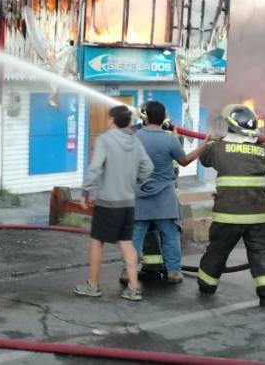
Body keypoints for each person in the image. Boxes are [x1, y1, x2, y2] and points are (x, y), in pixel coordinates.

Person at [196, 104, 265, 306]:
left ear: (230, 127)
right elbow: (264, 165)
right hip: (258, 215)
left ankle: (207, 285)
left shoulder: (218, 149)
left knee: (218, 251)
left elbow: (204, 159)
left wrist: (213, 141)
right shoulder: (263, 151)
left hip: (228, 215)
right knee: (260, 251)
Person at [124, 101, 210, 285]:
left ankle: (126, 272)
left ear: (145, 117)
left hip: (140, 197)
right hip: (164, 199)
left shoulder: (135, 136)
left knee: (135, 238)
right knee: (170, 236)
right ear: (163, 118)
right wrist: (205, 144)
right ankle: (173, 272)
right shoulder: (169, 139)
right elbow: (185, 161)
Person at [74, 105, 154, 301]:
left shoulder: (105, 139)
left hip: (107, 203)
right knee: (127, 244)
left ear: (111, 120)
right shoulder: (135, 141)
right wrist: (134, 180)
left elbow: (94, 168)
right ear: (127, 122)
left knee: (97, 243)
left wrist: (85, 191)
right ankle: (134, 288)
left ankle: (92, 285)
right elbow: (148, 167)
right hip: (127, 203)